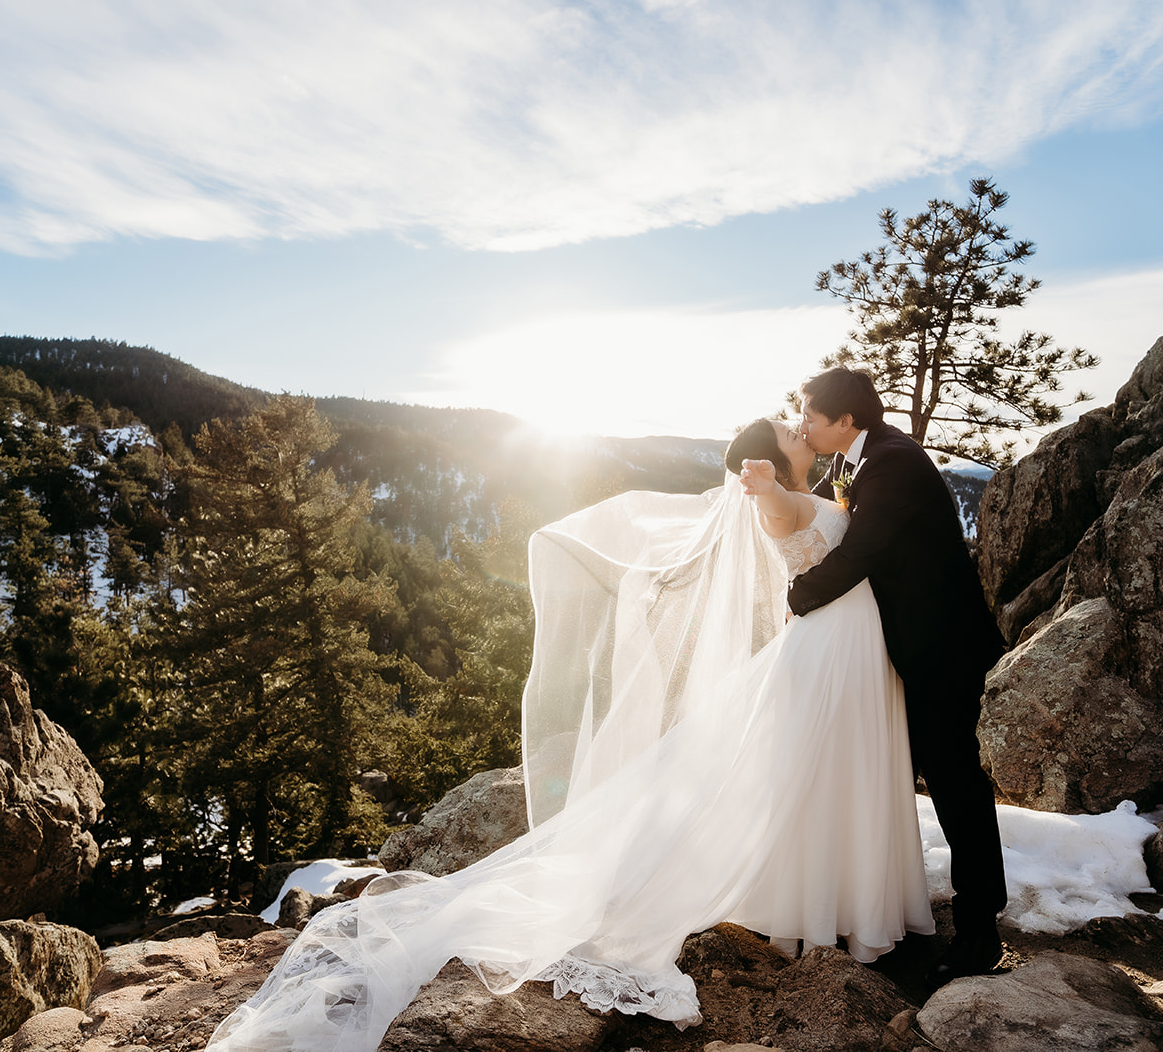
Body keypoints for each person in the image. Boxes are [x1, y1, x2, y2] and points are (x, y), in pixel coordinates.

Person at [208, 417, 934, 1052]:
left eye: (798, 424)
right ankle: (820, 903)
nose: (798, 431)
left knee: (815, 775)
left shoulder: (816, 490)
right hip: (824, 652)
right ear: (768, 461)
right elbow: (782, 514)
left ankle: (828, 893)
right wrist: (764, 481)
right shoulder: (776, 497)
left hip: (836, 651)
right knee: (803, 775)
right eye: (786, 430)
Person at [783, 366, 1009, 986]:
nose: (804, 424)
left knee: (957, 785)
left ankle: (979, 933)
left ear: (845, 420)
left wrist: (798, 597)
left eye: (811, 415)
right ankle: (875, 906)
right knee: (884, 779)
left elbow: (865, 550)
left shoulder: (893, 462)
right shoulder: (860, 459)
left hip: (941, 651)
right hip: (899, 647)